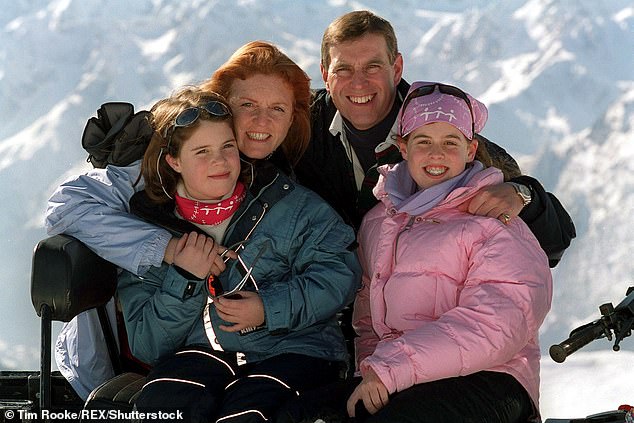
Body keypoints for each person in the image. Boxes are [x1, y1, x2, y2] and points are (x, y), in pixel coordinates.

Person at [44, 41, 359, 400]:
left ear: (293, 117)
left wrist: (267, 308)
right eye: (247, 106)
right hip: (187, 352)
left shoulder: (293, 186)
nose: (262, 121)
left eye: (277, 109)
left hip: (286, 352)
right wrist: (171, 253)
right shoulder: (157, 179)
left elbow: (336, 270)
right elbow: (68, 204)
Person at [279, 82, 552, 423]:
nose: (436, 154)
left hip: (492, 378)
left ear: (471, 150)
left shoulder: (494, 219)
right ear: (403, 147)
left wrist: (390, 370)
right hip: (399, 377)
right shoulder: (379, 221)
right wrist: (372, 374)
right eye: (423, 141)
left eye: (450, 142)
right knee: (296, 414)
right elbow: (367, 322)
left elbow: (496, 325)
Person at [121, 85, 360, 423]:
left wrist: (268, 309)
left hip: (293, 349)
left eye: (227, 146)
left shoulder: (288, 205)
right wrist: (185, 278)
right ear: (174, 160)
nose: (219, 161)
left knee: (248, 415)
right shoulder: (150, 232)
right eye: (202, 151)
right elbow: (147, 344)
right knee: (163, 410)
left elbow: (339, 275)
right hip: (199, 355)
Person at [295, 10, 575, 266]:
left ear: (396, 68)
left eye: (373, 67)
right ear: (325, 74)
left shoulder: (437, 127)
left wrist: (523, 196)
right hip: (328, 304)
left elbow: (554, 243)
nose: (358, 83)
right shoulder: (301, 126)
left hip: (424, 312)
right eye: (343, 69)